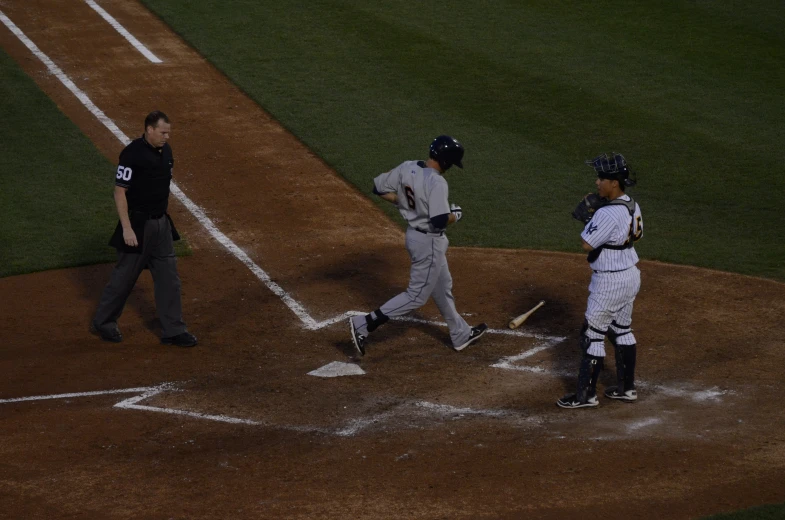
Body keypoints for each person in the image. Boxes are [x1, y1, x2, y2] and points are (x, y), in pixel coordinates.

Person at [348, 135, 488, 357]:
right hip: (429, 242)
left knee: (442, 286)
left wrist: (400, 201)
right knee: (416, 296)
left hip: (414, 235)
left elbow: (378, 187)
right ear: (445, 161)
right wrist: (456, 215)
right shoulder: (437, 182)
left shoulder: (408, 167)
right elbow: (440, 220)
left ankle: (460, 333)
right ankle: (364, 323)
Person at [90, 111, 197, 347]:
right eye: (163, 132)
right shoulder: (132, 154)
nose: (167, 137)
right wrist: (127, 229)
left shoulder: (166, 151)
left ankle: (174, 330)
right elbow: (120, 192)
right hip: (138, 226)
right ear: (149, 129)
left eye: (168, 132)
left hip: (162, 225)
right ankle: (104, 322)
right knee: (123, 279)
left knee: (169, 279)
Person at [557, 152, 643, 409]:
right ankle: (627, 389)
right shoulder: (632, 204)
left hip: (610, 282)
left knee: (591, 335)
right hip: (630, 275)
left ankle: (586, 396)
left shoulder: (606, 214)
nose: (596, 182)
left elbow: (587, 243)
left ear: (614, 182)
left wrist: (591, 218)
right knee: (622, 329)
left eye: (601, 177)